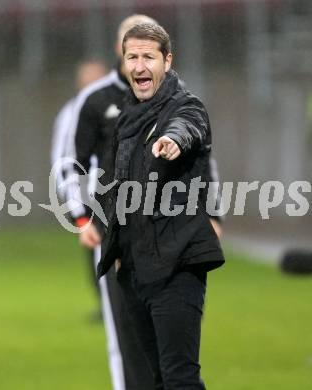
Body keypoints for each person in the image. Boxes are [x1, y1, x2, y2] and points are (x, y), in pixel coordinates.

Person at [96, 23, 225, 389]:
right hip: (135, 269)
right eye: (132, 57)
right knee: (155, 380)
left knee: (180, 377)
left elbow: (189, 126)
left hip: (176, 265)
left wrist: (173, 140)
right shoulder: (126, 118)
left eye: (148, 57)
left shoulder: (185, 106)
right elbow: (118, 188)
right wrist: (118, 250)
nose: (139, 66)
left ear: (167, 61)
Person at [64, 15, 159, 390]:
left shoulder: (177, 96)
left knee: (172, 326)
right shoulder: (95, 100)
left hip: (166, 228)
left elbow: (202, 157)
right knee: (124, 329)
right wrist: (81, 217)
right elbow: (69, 163)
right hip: (115, 229)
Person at [50, 59, 107, 321]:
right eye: (88, 79)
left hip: (123, 192)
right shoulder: (70, 113)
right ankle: (106, 303)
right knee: (95, 249)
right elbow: (61, 157)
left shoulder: (120, 107)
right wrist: (70, 198)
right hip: (87, 194)